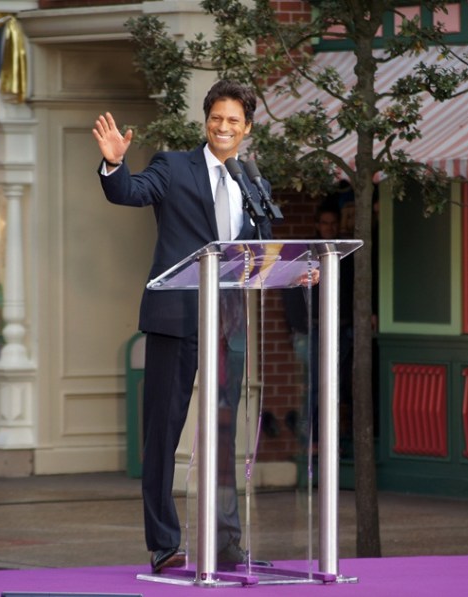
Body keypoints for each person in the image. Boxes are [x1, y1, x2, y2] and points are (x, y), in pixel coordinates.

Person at [93, 80, 273, 574]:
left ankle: (225, 542)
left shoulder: (253, 182)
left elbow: (261, 252)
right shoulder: (173, 167)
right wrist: (114, 165)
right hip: (175, 320)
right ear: (206, 120)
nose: (224, 127)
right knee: (163, 433)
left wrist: (299, 268)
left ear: (247, 128)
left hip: (229, 324)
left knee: (222, 435)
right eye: (217, 117)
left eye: (234, 120)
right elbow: (129, 192)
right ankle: (164, 543)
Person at [282, 198, 354, 450]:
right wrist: (298, 327)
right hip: (311, 328)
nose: (329, 228)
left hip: (342, 328)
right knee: (314, 384)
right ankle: (311, 437)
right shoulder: (306, 253)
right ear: (317, 224)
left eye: (333, 223)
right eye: (324, 223)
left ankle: (331, 438)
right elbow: (290, 290)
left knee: (339, 384)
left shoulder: (345, 252)